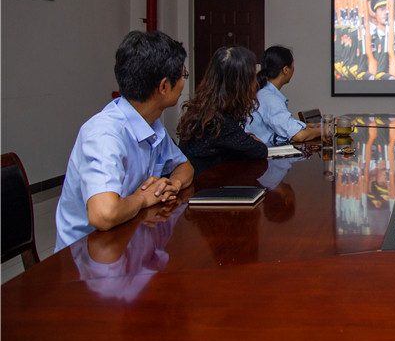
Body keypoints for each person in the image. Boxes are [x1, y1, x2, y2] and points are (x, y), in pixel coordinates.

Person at [55, 31, 194, 252]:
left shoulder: (151, 124)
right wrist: (144, 198)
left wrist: (172, 185)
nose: (183, 83)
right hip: (87, 257)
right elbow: (104, 214)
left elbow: (185, 167)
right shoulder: (104, 134)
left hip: (132, 240)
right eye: (182, 75)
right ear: (164, 87)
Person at [177, 45, 268, 173]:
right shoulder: (219, 121)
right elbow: (259, 150)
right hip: (202, 183)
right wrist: (250, 137)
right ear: (240, 84)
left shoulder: (206, 110)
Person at [245, 46, 320, 145]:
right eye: (293, 65)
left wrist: (313, 126)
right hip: (265, 153)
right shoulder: (269, 98)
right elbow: (298, 135)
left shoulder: (263, 92)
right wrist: (325, 130)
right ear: (285, 70)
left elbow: (284, 124)